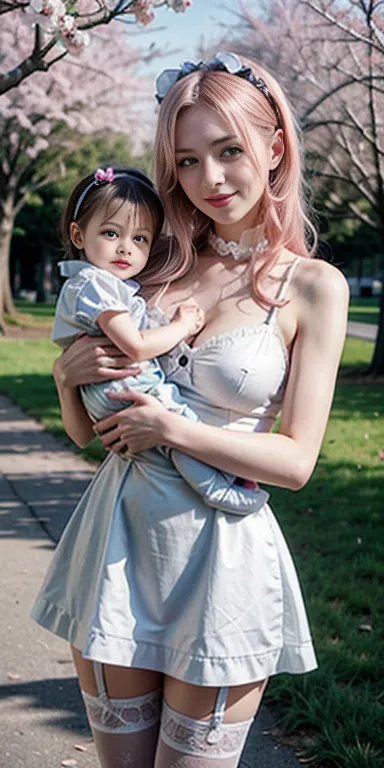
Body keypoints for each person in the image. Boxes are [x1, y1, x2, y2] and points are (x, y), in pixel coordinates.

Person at [31, 52, 349, 768]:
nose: (210, 178)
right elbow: (95, 434)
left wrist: (171, 427)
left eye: (229, 150)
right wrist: (63, 377)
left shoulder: (314, 287)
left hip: (223, 561)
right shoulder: (154, 263)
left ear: (273, 147)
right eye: (188, 159)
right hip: (118, 546)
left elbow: (297, 462)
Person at [52, 165, 267, 514]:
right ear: (78, 236)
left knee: (172, 434)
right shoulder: (95, 284)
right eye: (110, 233)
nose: (125, 249)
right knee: (177, 421)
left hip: (103, 391)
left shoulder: (100, 285)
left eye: (139, 239)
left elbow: (81, 436)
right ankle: (217, 486)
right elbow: (135, 346)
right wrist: (182, 326)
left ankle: (221, 479)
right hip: (126, 385)